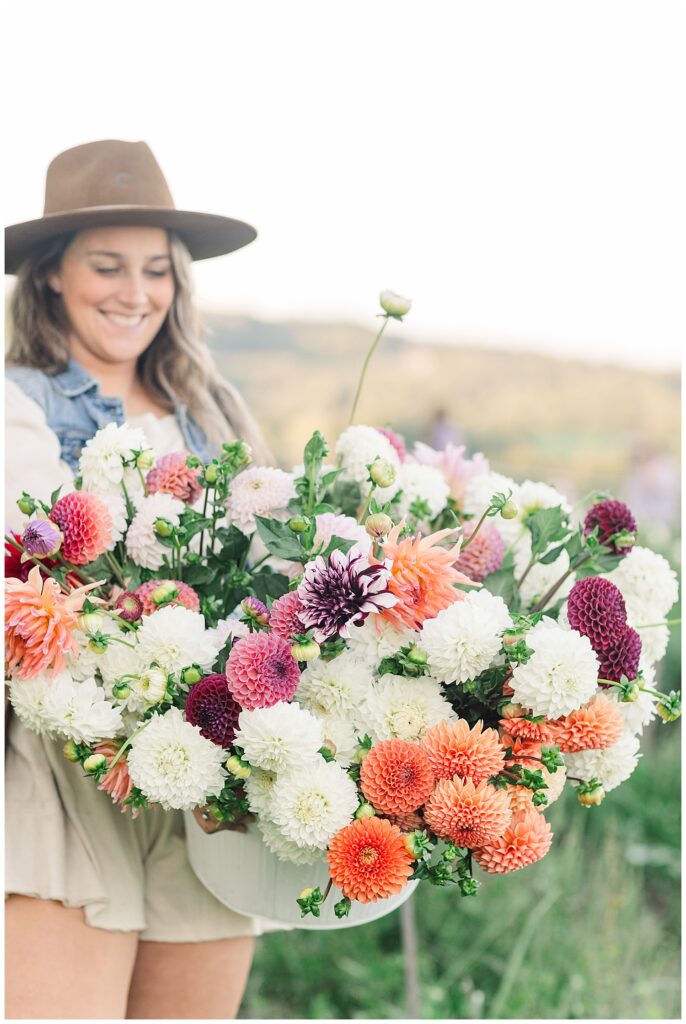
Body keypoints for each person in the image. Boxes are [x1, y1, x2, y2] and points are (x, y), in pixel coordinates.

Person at [4, 139, 275, 1020]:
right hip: (69, 765)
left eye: (157, 270)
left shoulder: (213, 411)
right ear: (50, 275)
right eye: (107, 266)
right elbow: (36, 583)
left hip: (205, 769)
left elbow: (273, 571)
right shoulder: (18, 404)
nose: (135, 292)